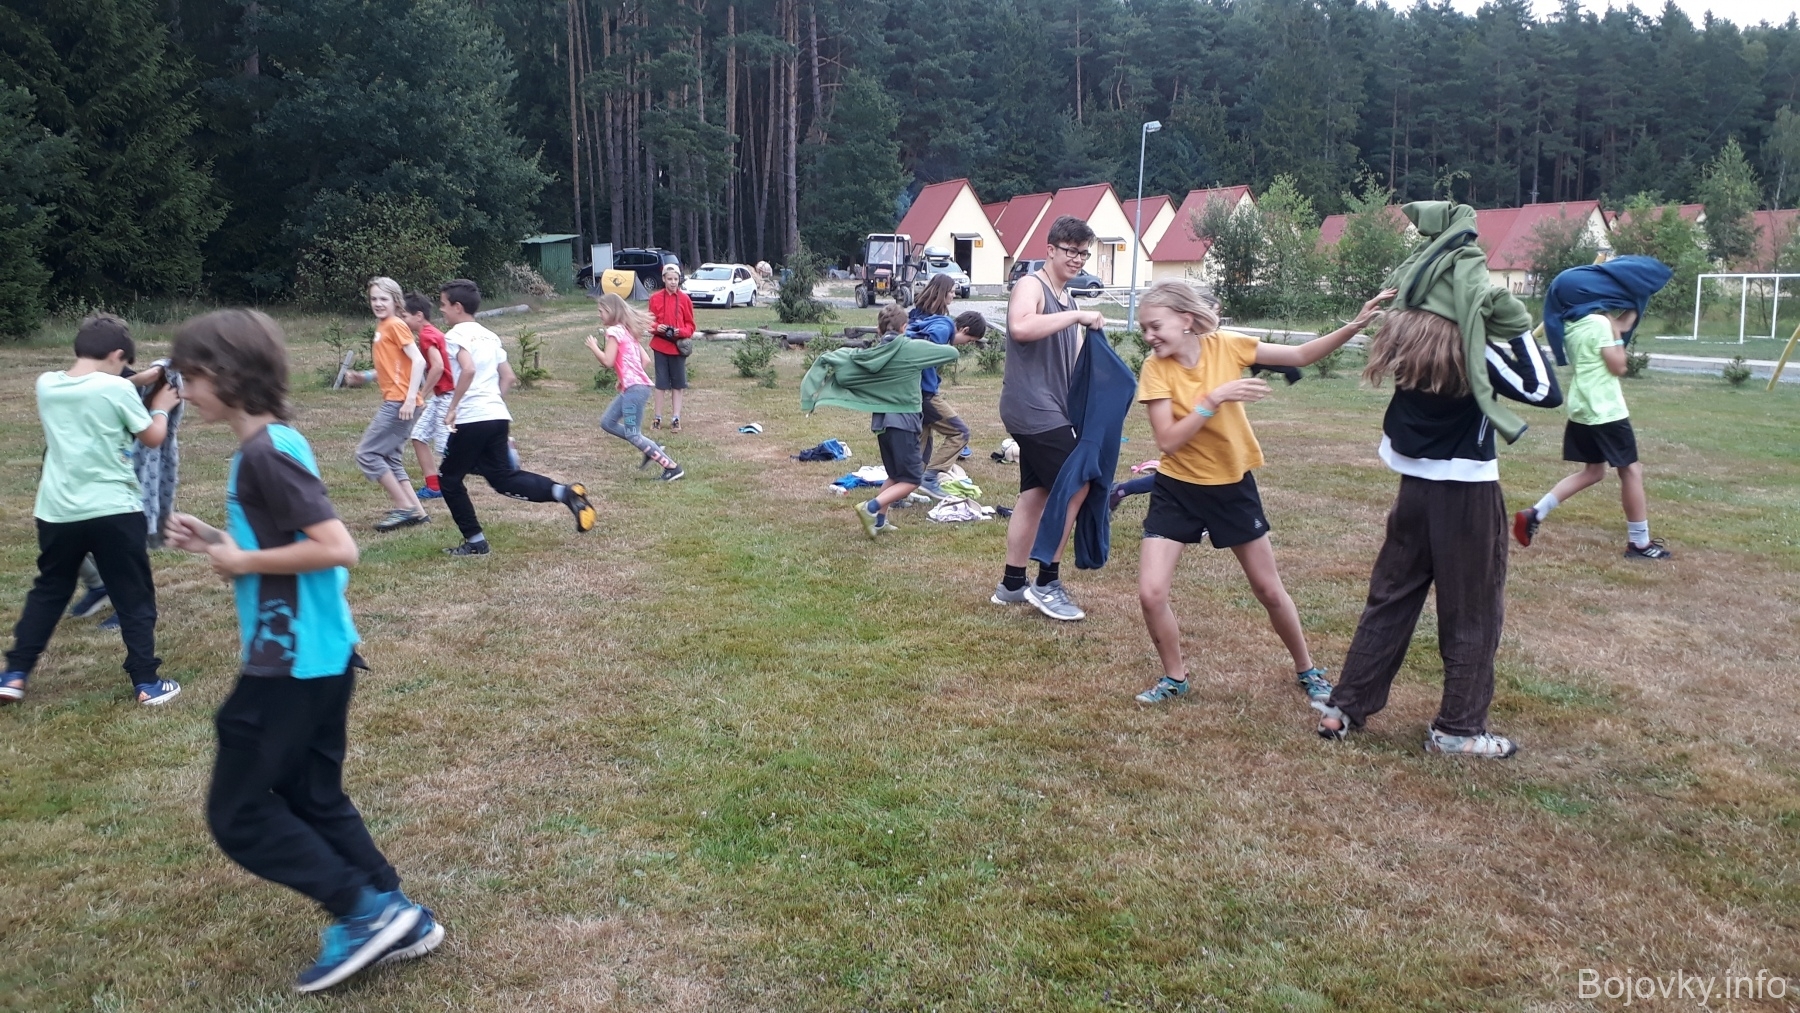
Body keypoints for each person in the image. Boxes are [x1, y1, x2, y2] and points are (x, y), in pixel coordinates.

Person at [161, 309, 443, 992]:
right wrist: (217, 542)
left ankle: (365, 913)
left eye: (189, 377)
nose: (183, 391)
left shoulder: (265, 454)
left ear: (226, 375)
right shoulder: (274, 443)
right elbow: (286, 545)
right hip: (322, 654)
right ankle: (396, 911)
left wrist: (242, 560)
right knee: (312, 794)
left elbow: (337, 547)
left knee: (238, 812)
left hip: (289, 663)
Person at [1313, 308, 1562, 757]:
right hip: (1467, 496)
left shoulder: (1408, 340)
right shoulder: (1473, 351)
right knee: (1473, 611)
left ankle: (1343, 707)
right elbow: (1542, 390)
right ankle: (1458, 730)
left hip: (1414, 493)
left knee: (1390, 598)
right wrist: (1519, 329)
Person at [1131, 282, 1392, 705]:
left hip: (1231, 487)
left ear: (1186, 319)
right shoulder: (1155, 368)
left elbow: (1299, 356)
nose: (1149, 336)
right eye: (1144, 328)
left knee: (1269, 590)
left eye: (1155, 326)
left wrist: (1355, 325)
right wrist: (1213, 399)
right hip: (1177, 488)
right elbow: (1168, 441)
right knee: (1151, 593)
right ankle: (1175, 678)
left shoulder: (1227, 346)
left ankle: (1307, 669)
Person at [2, 314, 182, 707]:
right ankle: (146, 682)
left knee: (50, 590)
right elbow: (152, 437)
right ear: (117, 355)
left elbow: (104, 383)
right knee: (133, 594)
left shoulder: (47, 384)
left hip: (57, 512)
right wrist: (161, 406)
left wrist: (136, 377)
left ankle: (14, 675)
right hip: (114, 510)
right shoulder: (116, 390)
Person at [1515, 256, 1674, 559]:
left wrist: (1632, 309)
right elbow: (1618, 366)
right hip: (1605, 410)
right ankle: (1639, 543)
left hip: (1583, 408)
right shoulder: (1600, 324)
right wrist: (1616, 334)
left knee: (1593, 471)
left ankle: (1535, 513)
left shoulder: (1571, 324)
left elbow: (1617, 329)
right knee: (1631, 470)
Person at [994, 215, 1110, 621]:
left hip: (1053, 409)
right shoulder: (1032, 286)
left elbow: (1075, 362)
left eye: (1083, 254)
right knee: (1077, 484)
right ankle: (1046, 582)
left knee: (1036, 494)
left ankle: (1012, 584)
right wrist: (1077, 317)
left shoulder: (1069, 299)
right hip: (1031, 407)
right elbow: (1021, 327)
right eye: (1070, 251)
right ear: (1050, 249)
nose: (1077, 259)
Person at [435, 279, 596, 556]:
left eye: (443, 305)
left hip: (472, 417)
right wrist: (491, 404)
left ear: (457, 307)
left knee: (449, 479)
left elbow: (468, 370)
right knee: (503, 478)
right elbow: (508, 376)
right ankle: (565, 492)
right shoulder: (490, 336)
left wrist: (454, 407)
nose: (441, 310)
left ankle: (476, 542)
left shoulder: (455, 336)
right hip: (497, 415)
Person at [68, 357, 185, 626]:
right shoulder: (86, 384)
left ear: (116, 356)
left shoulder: (128, 389)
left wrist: (151, 382)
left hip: (122, 484)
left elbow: (173, 367)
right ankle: (99, 585)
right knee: (67, 532)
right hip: (83, 476)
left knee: (121, 545)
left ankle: (133, 603)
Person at [355, 276, 430, 532]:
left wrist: (409, 399)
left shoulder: (396, 325)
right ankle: (418, 512)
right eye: (374, 298)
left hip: (400, 403)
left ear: (396, 301)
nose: (378, 303)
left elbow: (418, 361)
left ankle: (404, 507)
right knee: (391, 458)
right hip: (399, 400)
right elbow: (391, 366)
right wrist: (364, 377)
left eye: (383, 299)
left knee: (367, 454)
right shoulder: (383, 326)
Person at [584, 293, 684, 481]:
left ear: (611, 311)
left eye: (601, 311)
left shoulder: (614, 332)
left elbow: (607, 361)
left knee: (633, 434)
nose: (599, 315)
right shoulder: (627, 331)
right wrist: (624, 379)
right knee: (607, 422)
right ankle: (650, 447)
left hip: (635, 390)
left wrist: (594, 347)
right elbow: (644, 360)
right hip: (633, 388)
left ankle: (672, 467)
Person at [905, 275, 984, 497]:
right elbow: (925, 352)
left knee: (923, 439)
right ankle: (930, 477)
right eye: (952, 291)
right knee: (960, 432)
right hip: (924, 392)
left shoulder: (918, 316)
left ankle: (906, 488)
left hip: (911, 390)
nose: (954, 295)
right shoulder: (943, 325)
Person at [401, 293, 454, 500]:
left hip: (447, 396)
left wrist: (421, 394)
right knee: (419, 436)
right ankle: (434, 486)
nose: (402, 321)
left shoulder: (427, 336)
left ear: (419, 316)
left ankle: (500, 453)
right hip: (440, 397)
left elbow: (438, 367)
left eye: (405, 316)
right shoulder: (430, 333)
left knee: (446, 448)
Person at [647, 263, 694, 432]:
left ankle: (676, 418)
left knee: (678, 383)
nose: (673, 282)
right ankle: (657, 418)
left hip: (677, 347)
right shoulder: (655, 298)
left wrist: (680, 331)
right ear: (664, 279)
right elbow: (649, 322)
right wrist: (656, 327)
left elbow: (691, 325)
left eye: (676, 279)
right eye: (670, 279)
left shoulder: (685, 299)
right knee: (660, 384)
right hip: (660, 346)